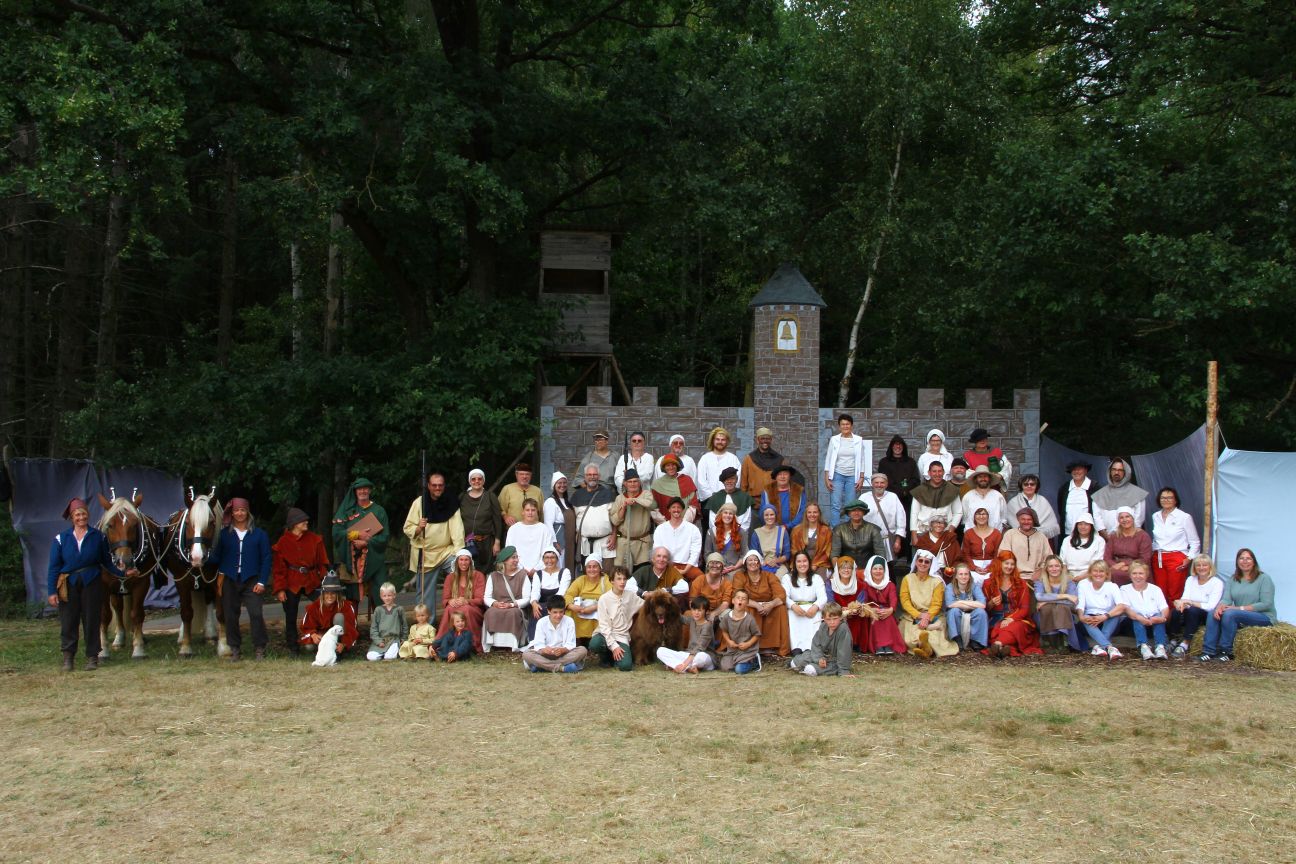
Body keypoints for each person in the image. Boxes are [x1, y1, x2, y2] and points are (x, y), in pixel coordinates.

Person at [47, 497, 129, 670]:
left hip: (92, 581)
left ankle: (92, 657)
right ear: (72, 518)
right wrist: (52, 591)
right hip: (68, 583)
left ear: (88, 515)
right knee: (68, 621)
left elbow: (107, 563)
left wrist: (123, 573)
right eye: (77, 515)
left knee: (92, 619)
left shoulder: (98, 537)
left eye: (83, 514)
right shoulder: (61, 539)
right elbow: (54, 567)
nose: (81, 518)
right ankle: (68, 658)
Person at [212, 497, 272, 661]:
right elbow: (216, 557)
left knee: (256, 613)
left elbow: (266, 558)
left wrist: (262, 581)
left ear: (248, 512)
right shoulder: (224, 535)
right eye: (236, 510)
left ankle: (259, 647)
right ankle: (235, 648)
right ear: (232, 513)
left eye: (243, 510)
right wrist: (202, 557)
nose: (240, 513)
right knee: (230, 615)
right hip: (230, 579)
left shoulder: (259, 535)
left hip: (252, 579)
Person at [403, 471, 465, 616]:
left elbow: (457, 530)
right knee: (425, 594)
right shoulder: (419, 503)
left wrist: (460, 553)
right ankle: (426, 624)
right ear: (429, 486)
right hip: (426, 553)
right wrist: (419, 528)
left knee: (461, 577)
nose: (437, 488)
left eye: (440, 485)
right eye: (434, 485)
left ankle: (459, 619)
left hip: (446, 552)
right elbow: (408, 528)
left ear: (444, 486)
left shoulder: (451, 502)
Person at [1200, 548, 1276, 662]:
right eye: (1241, 558)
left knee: (1230, 614)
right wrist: (1220, 607)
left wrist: (1239, 608)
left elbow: (1266, 604)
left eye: (1248, 558)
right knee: (1213, 613)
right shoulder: (1233, 579)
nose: (1245, 561)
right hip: (1240, 615)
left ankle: (1226, 652)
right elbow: (1226, 599)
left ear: (1254, 561)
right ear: (1237, 561)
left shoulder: (1264, 578)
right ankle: (1208, 651)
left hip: (1263, 616)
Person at [272, 507, 329, 655]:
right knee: (290, 615)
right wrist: (280, 589)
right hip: (292, 581)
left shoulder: (315, 539)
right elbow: (279, 568)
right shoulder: (283, 542)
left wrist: (326, 582)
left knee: (325, 606)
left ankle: (321, 640)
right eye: (302, 521)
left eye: (306, 520)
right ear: (294, 524)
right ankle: (293, 648)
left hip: (312, 580)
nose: (306, 522)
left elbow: (322, 563)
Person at [330, 477, 391, 609]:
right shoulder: (347, 511)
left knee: (381, 595)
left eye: (365, 488)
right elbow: (336, 533)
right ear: (355, 491)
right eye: (360, 489)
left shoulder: (379, 511)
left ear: (370, 490)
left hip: (375, 561)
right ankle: (352, 622)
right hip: (353, 563)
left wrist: (367, 541)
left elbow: (385, 537)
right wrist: (356, 534)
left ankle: (382, 622)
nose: (363, 491)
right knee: (352, 599)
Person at [898, 549, 958, 658]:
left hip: (932, 615)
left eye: (926, 562)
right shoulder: (907, 579)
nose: (923, 564)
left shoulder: (937, 581)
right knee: (909, 637)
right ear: (916, 562)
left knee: (934, 637)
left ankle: (926, 649)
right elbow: (905, 601)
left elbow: (936, 604)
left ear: (931, 565)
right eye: (920, 560)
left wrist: (926, 618)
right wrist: (918, 615)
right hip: (912, 615)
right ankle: (925, 649)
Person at [982, 550, 1042, 657]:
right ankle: (1003, 649)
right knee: (999, 629)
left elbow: (1024, 609)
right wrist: (991, 603)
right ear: (999, 563)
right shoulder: (988, 583)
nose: (1009, 567)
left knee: (1015, 627)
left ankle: (997, 645)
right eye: (1006, 563)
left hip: (1017, 617)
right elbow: (984, 608)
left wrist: (1011, 619)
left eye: (1012, 564)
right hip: (996, 618)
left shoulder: (1021, 583)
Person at [732, 549, 790, 657]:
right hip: (749, 604)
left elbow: (781, 594)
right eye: (750, 560)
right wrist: (756, 605)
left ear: (760, 563)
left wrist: (771, 605)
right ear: (745, 563)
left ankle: (773, 647)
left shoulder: (769, 575)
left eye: (755, 560)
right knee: (745, 608)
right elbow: (737, 595)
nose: (753, 562)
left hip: (768, 605)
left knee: (781, 608)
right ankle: (750, 646)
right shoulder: (739, 576)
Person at [1150, 486, 1200, 611]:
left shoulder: (1184, 517)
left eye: (1169, 498)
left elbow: (1195, 542)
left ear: (1175, 500)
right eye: (1163, 498)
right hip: (1158, 557)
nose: (1166, 500)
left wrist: (1189, 558)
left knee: (1174, 592)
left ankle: (1175, 620)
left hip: (1176, 556)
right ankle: (1163, 619)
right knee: (1160, 591)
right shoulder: (1155, 516)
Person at [589, 566, 643, 671]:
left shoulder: (631, 596)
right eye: (619, 579)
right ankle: (605, 658)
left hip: (622, 636)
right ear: (612, 581)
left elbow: (645, 605)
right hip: (605, 634)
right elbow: (604, 626)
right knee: (595, 644)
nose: (622, 582)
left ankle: (615, 659)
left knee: (626, 666)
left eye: (624, 579)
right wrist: (614, 646)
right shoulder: (604, 599)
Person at [481, 546, 534, 652]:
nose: (516, 560)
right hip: (498, 606)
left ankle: (513, 644)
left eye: (517, 557)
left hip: (515, 607)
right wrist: (495, 603)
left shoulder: (522, 575)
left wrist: (512, 605)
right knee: (490, 612)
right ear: (505, 561)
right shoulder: (493, 576)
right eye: (513, 558)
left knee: (513, 613)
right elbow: (487, 597)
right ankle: (492, 643)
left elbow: (527, 598)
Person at [823, 414, 871, 526]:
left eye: (847, 424)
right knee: (835, 504)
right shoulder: (834, 439)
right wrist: (827, 478)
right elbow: (829, 458)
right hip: (837, 475)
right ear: (839, 426)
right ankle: (835, 529)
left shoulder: (858, 440)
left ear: (851, 425)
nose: (845, 426)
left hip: (852, 476)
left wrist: (861, 478)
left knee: (850, 505)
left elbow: (862, 460)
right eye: (843, 424)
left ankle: (848, 530)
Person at [299, 572, 359, 659]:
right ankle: (322, 651)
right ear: (322, 594)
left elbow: (352, 627)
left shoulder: (346, 606)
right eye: (327, 593)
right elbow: (306, 626)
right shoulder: (314, 607)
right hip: (322, 636)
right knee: (309, 647)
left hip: (338, 637)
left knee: (339, 617)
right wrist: (313, 634)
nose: (330, 596)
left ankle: (338, 651)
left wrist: (344, 643)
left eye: (333, 593)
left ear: (338, 594)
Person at [1172, 555, 1223, 656]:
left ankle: (1185, 643)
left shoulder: (1217, 582)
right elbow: (1185, 598)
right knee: (1176, 611)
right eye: (1198, 565)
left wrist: (1191, 602)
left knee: (1193, 611)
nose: (1201, 568)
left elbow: (1211, 606)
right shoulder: (1191, 579)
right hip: (1190, 609)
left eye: (1204, 565)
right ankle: (1174, 639)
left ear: (1210, 567)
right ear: (1194, 567)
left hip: (1206, 614)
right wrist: (1180, 603)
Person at [522, 594, 589, 672]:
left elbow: (570, 644)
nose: (558, 615)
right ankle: (562, 668)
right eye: (555, 612)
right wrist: (544, 650)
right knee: (526, 654)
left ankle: (543, 667)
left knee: (582, 650)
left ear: (564, 611)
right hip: (545, 655)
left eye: (561, 612)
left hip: (564, 655)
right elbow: (539, 645)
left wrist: (563, 650)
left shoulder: (569, 621)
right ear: (548, 611)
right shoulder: (541, 622)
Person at [570, 463, 617, 569]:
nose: (592, 477)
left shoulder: (608, 494)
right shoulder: (577, 496)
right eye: (589, 474)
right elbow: (573, 519)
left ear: (599, 476)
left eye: (595, 474)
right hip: (584, 544)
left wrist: (615, 535)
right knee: (587, 574)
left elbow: (614, 518)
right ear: (585, 477)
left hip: (605, 543)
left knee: (607, 573)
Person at [788, 603, 855, 677]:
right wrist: (819, 659)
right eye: (828, 619)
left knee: (810, 670)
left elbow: (844, 652)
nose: (832, 622)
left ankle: (814, 667)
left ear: (840, 617)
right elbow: (816, 644)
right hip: (821, 656)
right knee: (795, 662)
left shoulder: (843, 629)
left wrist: (844, 671)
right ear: (824, 618)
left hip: (834, 660)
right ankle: (810, 664)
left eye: (835, 618)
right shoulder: (823, 626)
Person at [438, 548, 485, 652]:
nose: (463, 563)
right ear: (457, 562)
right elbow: (445, 599)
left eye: (466, 560)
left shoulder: (478, 576)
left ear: (470, 562)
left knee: (466, 609)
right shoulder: (450, 577)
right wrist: (450, 601)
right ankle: (441, 643)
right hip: (456, 608)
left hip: (474, 610)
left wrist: (467, 601)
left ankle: (472, 644)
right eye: (461, 560)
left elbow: (480, 600)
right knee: (449, 609)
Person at [1076, 560, 1126, 658]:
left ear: (1106, 574)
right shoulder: (1083, 584)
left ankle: (1099, 647)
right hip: (1091, 620)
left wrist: (1104, 617)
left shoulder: (1112, 586)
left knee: (1115, 615)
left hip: (1108, 620)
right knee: (1086, 617)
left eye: (1101, 571)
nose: (1098, 574)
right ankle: (1109, 647)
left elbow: (1121, 606)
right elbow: (1080, 605)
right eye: (1095, 571)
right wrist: (1081, 617)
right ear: (1090, 573)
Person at [1121, 561, 1170, 660]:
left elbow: (1164, 607)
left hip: (1153, 622)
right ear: (1130, 575)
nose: (1137, 576)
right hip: (1133, 624)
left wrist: (1162, 618)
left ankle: (1160, 647)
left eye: (1141, 573)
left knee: (1158, 615)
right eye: (1134, 573)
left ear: (1146, 575)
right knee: (1137, 616)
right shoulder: (1124, 589)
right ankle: (1143, 647)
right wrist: (1140, 618)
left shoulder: (1155, 589)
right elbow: (1126, 609)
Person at [858, 554, 906, 655]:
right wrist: (871, 610)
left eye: (881, 568)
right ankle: (878, 645)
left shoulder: (890, 585)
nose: (878, 571)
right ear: (870, 570)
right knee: (876, 618)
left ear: (885, 571)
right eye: (875, 569)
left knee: (887, 618)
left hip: (886, 611)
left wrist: (890, 610)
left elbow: (893, 599)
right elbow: (863, 601)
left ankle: (888, 645)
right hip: (870, 611)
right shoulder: (865, 584)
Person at [656, 596, 717, 673]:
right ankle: (688, 668)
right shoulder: (692, 620)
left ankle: (681, 666)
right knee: (660, 651)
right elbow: (679, 617)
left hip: (705, 656)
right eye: (694, 609)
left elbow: (700, 648)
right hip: (689, 654)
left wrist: (684, 664)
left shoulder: (707, 625)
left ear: (706, 611)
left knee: (701, 657)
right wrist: (670, 606)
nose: (696, 613)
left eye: (699, 610)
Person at [460, 468, 504, 574]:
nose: (476, 481)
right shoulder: (462, 497)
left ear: (483, 481)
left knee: (487, 572)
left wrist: (497, 542)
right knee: (469, 572)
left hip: (487, 542)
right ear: (469, 481)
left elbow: (497, 520)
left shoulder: (490, 496)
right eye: (473, 479)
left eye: (479, 479)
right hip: (468, 542)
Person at [609, 469, 656, 569]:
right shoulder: (619, 498)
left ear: (639, 483)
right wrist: (624, 507)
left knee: (642, 572)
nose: (633, 484)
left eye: (635, 481)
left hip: (642, 543)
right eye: (630, 482)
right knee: (622, 573)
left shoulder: (646, 494)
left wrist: (634, 500)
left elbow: (651, 504)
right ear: (625, 484)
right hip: (624, 543)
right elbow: (614, 521)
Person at [1034, 555, 1082, 652]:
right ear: (1046, 568)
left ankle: (1064, 643)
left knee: (1061, 608)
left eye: (1057, 566)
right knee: (1047, 608)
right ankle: (1050, 643)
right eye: (1050, 566)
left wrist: (1048, 601)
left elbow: (1072, 602)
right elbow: (1039, 596)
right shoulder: (1040, 582)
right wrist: (1065, 596)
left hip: (1066, 614)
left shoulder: (1069, 582)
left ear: (1061, 567)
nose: (1054, 569)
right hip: (1045, 614)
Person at [782, 551, 826, 653]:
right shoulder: (787, 578)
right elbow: (784, 596)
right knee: (792, 616)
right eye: (799, 561)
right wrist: (793, 606)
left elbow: (823, 597)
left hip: (812, 608)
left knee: (816, 616)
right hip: (795, 609)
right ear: (794, 563)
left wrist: (815, 606)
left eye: (805, 561)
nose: (802, 564)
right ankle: (796, 646)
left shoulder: (816, 578)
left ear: (809, 562)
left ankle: (811, 646)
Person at [1092, 457, 1148, 540]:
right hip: (1107, 539)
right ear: (1110, 471)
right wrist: (1106, 536)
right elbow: (1097, 518)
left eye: (1120, 470)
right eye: (1114, 469)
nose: (1116, 472)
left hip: (1131, 539)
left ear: (1126, 472)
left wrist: (1128, 536)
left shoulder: (1137, 493)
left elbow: (1139, 518)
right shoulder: (1100, 495)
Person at [909, 462, 963, 543]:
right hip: (923, 532)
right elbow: (914, 513)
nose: (937, 474)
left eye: (940, 471)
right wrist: (914, 535)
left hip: (945, 532)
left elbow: (958, 512)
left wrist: (951, 530)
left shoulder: (952, 490)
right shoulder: (920, 490)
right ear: (929, 473)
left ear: (943, 472)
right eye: (934, 471)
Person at [504, 498, 558, 578]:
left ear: (537, 512)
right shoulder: (513, 529)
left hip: (540, 572)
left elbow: (548, 551)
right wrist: (521, 569)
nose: (530, 513)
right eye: (527, 510)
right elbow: (509, 552)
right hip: (517, 572)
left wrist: (536, 569)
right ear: (522, 512)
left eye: (533, 510)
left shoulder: (544, 529)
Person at [653, 497, 704, 579]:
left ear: (682, 510)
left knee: (701, 579)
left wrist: (685, 570)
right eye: (673, 507)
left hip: (687, 565)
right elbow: (657, 550)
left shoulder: (693, 529)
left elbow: (695, 552)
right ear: (669, 510)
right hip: (666, 564)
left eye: (679, 507)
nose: (676, 510)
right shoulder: (660, 529)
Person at [862, 473, 907, 564]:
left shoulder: (893, 497)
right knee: (870, 565)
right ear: (872, 484)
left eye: (882, 482)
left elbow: (901, 519)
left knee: (887, 566)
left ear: (886, 484)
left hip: (887, 540)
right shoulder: (864, 497)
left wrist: (898, 541)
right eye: (876, 482)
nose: (879, 485)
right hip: (868, 541)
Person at [940, 561, 986, 651]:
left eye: (966, 574)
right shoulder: (950, 587)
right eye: (960, 574)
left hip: (972, 613)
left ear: (969, 576)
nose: (964, 577)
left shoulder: (974, 587)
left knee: (981, 612)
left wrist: (961, 602)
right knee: (954, 611)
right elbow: (950, 604)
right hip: (957, 614)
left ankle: (976, 641)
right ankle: (957, 639)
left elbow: (982, 604)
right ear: (956, 576)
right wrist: (972, 604)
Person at [564, 557, 610, 644]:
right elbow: (569, 595)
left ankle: (597, 640)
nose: (592, 569)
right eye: (589, 567)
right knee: (569, 612)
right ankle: (575, 640)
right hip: (581, 610)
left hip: (598, 608)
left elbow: (610, 597)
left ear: (600, 568)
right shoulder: (581, 580)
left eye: (595, 566)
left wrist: (593, 607)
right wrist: (571, 606)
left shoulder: (605, 580)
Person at [1102, 506, 1152, 586]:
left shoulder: (1143, 536)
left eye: (1127, 516)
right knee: (1109, 573)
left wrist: (1125, 564)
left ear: (1132, 518)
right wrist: (1114, 565)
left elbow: (1145, 558)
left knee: (1119, 574)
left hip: (1137, 567)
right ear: (1118, 520)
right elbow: (1107, 557)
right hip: (1116, 567)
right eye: (1121, 518)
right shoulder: (1114, 536)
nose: (1124, 520)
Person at [830, 498, 887, 568]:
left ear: (864, 512)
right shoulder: (839, 529)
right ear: (848, 513)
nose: (856, 513)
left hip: (868, 570)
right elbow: (835, 553)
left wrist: (878, 570)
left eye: (859, 510)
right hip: (846, 569)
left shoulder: (874, 529)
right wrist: (837, 570)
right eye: (853, 510)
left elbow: (880, 553)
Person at [529, 549, 572, 639]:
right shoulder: (538, 574)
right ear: (543, 559)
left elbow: (562, 592)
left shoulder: (564, 572)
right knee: (537, 610)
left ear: (557, 559)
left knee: (550, 610)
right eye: (546, 558)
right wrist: (534, 603)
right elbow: (535, 591)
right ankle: (535, 641)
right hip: (542, 605)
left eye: (552, 557)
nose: (549, 560)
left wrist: (548, 606)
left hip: (558, 603)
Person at [1005, 475, 1060, 544]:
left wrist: (1036, 532)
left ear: (1036, 486)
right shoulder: (1013, 502)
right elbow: (1012, 522)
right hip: (1020, 540)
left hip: (1042, 539)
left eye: (1032, 484)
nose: (1029, 486)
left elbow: (1050, 524)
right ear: (1021, 486)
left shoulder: (1043, 500)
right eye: (1026, 484)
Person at [827, 556, 867, 651]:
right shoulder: (830, 584)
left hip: (854, 614)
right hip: (837, 613)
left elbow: (861, 602)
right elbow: (830, 601)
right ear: (838, 570)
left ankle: (855, 643)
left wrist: (853, 609)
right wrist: (840, 609)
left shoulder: (860, 585)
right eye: (843, 568)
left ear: (853, 570)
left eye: (849, 568)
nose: (846, 570)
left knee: (861, 616)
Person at [717, 588, 761, 673]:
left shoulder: (750, 619)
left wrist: (748, 644)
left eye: (743, 599)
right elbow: (724, 631)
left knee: (739, 670)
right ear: (733, 601)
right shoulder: (726, 617)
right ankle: (739, 662)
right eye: (738, 598)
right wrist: (729, 641)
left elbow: (757, 635)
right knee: (724, 667)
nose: (740, 600)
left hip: (747, 651)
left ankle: (754, 661)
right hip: (733, 651)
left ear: (747, 603)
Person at [999, 507, 1051, 580]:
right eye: (1023, 519)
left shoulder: (1041, 537)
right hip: (1014, 575)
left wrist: (1040, 570)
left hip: (1037, 576)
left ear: (1033, 520)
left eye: (1029, 519)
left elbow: (1049, 558)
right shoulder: (1010, 534)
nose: (1026, 522)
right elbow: (1003, 556)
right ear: (1018, 520)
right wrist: (1012, 573)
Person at [700, 466, 753, 535]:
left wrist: (735, 534)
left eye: (732, 479)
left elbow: (746, 521)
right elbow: (713, 521)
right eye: (727, 479)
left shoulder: (744, 497)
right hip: (720, 535)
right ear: (723, 481)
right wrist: (723, 535)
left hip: (738, 535)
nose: (729, 481)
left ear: (736, 480)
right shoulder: (715, 498)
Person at [742, 426, 790, 500]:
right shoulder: (748, 459)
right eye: (762, 438)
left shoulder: (780, 460)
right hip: (754, 500)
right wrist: (743, 501)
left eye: (767, 439)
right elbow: (743, 483)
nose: (765, 441)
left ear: (771, 440)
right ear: (757, 440)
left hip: (773, 499)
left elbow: (785, 481)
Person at [877, 435, 922, 513]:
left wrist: (905, 491)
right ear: (891, 446)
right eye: (895, 444)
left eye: (900, 444)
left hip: (908, 499)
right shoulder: (884, 463)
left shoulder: (911, 462)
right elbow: (883, 480)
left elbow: (915, 480)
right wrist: (899, 491)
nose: (898, 447)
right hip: (889, 499)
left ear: (903, 447)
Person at [696, 426, 742, 502]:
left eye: (723, 440)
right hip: (709, 500)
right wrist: (711, 496)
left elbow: (737, 479)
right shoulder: (705, 459)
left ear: (727, 441)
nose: (720, 442)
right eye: (717, 439)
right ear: (713, 440)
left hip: (729, 500)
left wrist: (727, 495)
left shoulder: (733, 459)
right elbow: (701, 481)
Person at [544, 471, 578, 572]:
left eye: (564, 483)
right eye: (559, 483)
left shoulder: (567, 502)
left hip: (569, 539)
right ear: (554, 485)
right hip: (560, 539)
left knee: (568, 563)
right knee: (560, 564)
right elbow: (548, 524)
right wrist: (555, 542)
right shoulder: (550, 502)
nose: (562, 485)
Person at [650, 454, 699, 523]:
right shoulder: (657, 484)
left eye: (673, 465)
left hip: (686, 524)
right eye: (668, 465)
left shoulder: (687, 480)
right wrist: (666, 524)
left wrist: (684, 523)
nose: (671, 467)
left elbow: (693, 505)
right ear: (664, 467)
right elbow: (653, 509)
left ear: (677, 466)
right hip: (665, 525)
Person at [1056, 460, 1098, 536]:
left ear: (1086, 471)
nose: (1076, 472)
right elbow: (1060, 509)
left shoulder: (1095, 487)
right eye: (1074, 469)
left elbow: (1099, 513)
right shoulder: (1064, 488)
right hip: (1068, 533)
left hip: (1088, 534)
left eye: (1079, 469)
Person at [703, 502, 747, 575]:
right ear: (721, 515)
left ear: (734, 516)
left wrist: (735, 567)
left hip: (735, 569)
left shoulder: (741, 532)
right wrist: (716, 567)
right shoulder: (711, 532)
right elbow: (707, 554)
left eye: (730, 513)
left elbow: (744, 554)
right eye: (725, 513)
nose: (728, 515)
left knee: (735, 578)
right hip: (715, 568)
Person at [366, 582, 407, 661]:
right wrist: (378, 641)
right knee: (371, 656)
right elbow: (373, 628)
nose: (387, 598)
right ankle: (382, 654)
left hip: (394, 640)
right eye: (384, 596)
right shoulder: (378, 610)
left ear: (394, 595)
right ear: (381, 596)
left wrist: (403, 639)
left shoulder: (399, 609)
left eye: (389, 595)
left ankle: (389, 653)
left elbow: (404, 626)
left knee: (389, 657)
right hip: (381, 640)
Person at [791, 502, 833, 576]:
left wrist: (815, 565)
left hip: (820, 564)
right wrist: (803, 563)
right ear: (806, 514)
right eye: (809, 512)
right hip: (801, 563)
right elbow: (794, 550)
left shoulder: (826, 530)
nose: (812, 515)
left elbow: (827, 552)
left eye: (815, 512)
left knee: (818, 580)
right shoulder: (797, 530)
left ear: (819, 513)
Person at [961, 466, 1009, 531]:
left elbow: (1004, 518)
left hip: (995, 534)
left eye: (985, 476)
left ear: (989, 479)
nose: (983, 479)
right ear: (975, 479)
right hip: (972, 534)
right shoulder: (968, 497)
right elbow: (965, 518)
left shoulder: (998, 496)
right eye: (980, 477)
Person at [749, 503, 791, 578]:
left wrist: (777, 561)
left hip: (778, 565)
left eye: (772, 515)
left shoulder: (782, 531)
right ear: (763, 516)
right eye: (766, 515)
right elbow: (753, 554)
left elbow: (787, 554)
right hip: (761, 565)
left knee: (782, 578)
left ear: (775, 516)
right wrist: (763, 562)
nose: (769, 517)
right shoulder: (756, 533)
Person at [1060, 514, 1105, 581]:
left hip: (1090, 575)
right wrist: (1067, 576)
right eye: (1080, 524)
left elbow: (1097, 563)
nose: (1083, 527)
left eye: (1086, 524)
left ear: (1091, 526)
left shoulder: (1099, 541)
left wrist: (1082, 577)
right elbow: (1062, 561)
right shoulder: (1067, 540)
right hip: (1068, 575)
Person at [961, 507, 1002, 580]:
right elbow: (965, 554)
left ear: (988, 517)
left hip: (992, 565)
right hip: (973, 565)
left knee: (992, 579)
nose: (981, 516)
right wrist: (974, 568)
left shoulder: (996, 533)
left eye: (984, 514)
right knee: (972, 579)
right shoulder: (968, 533)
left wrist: (990, 568)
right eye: (978, 514)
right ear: (974, 517)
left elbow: (998, 554)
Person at [690, 553, 734, 622]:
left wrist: (713, 614)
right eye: (712, 563)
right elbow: (692, 601)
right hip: (700, 612)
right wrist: (701, 614)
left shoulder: (727, 584)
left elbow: (725, 603)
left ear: (722, 566)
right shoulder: (699, 580)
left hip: (719, 612)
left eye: (718, 563)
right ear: (707, 565)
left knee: (729, 614)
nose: (714, 566)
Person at [761, 464, 806, 530]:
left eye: (785, 474)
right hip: (774, 529)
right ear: (776, 477)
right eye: (779, 474)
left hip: (795, 529)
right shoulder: (767, 491)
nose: (782, 477)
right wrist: (775, 527)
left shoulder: (799, 490)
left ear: (789, 476)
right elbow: (763, 511)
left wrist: (789, 525)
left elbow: (803, 511)